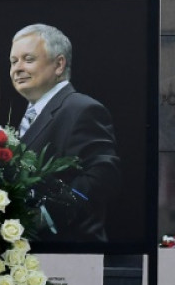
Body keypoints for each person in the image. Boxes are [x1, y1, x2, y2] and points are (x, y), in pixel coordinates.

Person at [9, 23, 121, 242]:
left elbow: (104, 176)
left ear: (59, 65)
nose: (17, 68)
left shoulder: (81, 109)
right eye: (13, 62)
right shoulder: (24, 116)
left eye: (28, 59)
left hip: (72, 253)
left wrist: (45, 215)